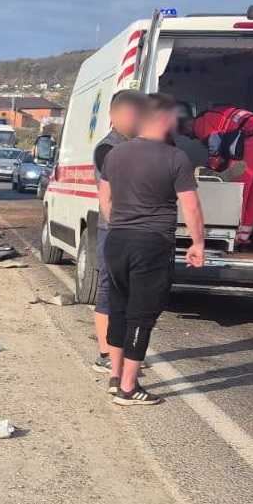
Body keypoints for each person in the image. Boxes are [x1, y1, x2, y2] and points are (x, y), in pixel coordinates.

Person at [99, 94, 206, 405]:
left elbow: (105, 199)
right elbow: (192, 207)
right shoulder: (175, 158)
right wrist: (197, 243)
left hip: (118, 240)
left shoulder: (115, 155)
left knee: (118, 309)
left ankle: (115, 376)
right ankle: (129, 388)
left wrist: (120, 222)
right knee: (142, 315)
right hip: (152, 242)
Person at [91, 90, 147, 376]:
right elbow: (113, 193)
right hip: (113, 230)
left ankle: (121, 350)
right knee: (108, 290)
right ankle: (104, 353)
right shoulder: (108, 148)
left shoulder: (137, 145)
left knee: (128, 293)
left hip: (133, 229)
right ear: (113, 116)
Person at [177, 104, 253, 247]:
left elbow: (214, 144)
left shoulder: (200, 122)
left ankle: (235, 235)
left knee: (239, 190)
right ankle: (244, 236)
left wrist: (212, 170)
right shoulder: (216, 114)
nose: (192, 137)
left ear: (189, 122)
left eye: (187, 133)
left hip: (251, 142)